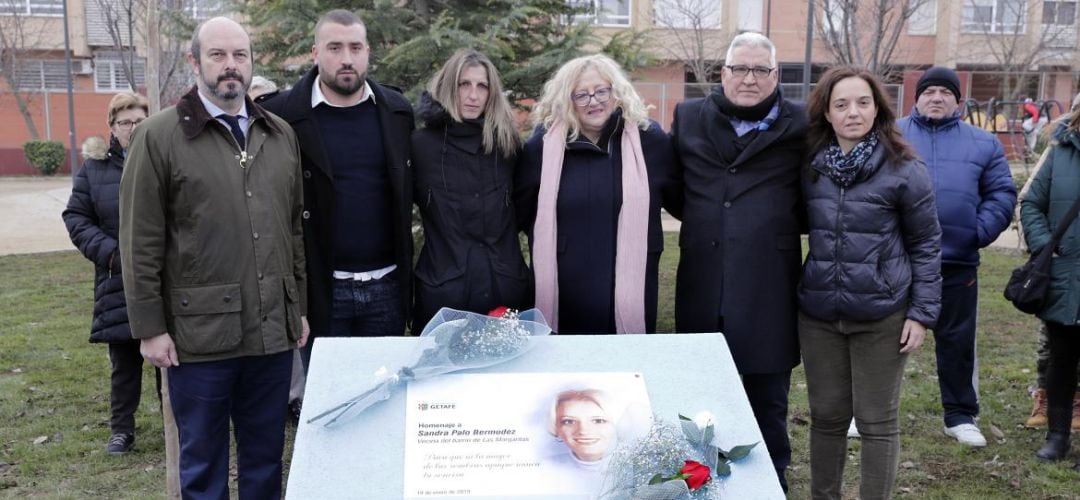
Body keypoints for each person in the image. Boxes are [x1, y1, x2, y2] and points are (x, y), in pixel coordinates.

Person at [119, 17, 308, 498]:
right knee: (203, 466)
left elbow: (291, 230)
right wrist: (149, 328)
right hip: (198, 339)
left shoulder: (279, 133)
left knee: (266, 460)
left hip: (270, 335)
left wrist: (297, 308)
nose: (231, 67)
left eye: (240, 56)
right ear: (195, 63)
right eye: (218, 56)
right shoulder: (159, 136)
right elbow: (139, 241)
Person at [799, 66, 941, 499]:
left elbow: (927, 242)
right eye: (841, 104)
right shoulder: (811, 168)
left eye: (863, 102)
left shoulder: (903, 169)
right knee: (826, 416)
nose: (853, 112)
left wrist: (921, 313)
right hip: (820, 314)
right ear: (826, 112)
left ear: (877, 108)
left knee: (877, 421)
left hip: (883, 314)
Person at [670, 31, 804, 490]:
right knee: (700, 391)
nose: (750, 78)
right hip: (704, 275)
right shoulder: (688, 117)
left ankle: (771, 484)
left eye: (760, 70)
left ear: (776, 75)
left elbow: (811, 197)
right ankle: (700, 483)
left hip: (770, 279)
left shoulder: (801, 124)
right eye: (740, 69)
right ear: (723, 73)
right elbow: (674, 189)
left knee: (767, 395)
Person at [261, 10, 414, 362]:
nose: (347, 59)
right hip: (321, 290)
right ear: (315, 53)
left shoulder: (396, 111)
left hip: (386, 288)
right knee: (326, 406)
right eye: (334, 48)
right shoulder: (282, 115)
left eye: (355, 47)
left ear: (368, 51)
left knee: (383, 403)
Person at [516, 54, 680, 334]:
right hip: (564, 285)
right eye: (581, 95)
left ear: (616, 93)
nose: (594, 101)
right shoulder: (542, 147)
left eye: (602, 91)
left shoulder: (649, 140)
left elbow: (680, 199)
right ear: (566, 101)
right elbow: (519, 212)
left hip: (631, 285)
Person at [897, 67, 1017, 447]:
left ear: (958, 101)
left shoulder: (984, 143)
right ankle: (866, 410)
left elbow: (1001, 193)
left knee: (957, 340)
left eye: (945, 92)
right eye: (928, 91)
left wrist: (977, 233)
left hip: (957, 261)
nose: (936, 97)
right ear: (916, 98)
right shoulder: (892, 135)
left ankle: (960, 415)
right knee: (883, 337)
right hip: (896, 260)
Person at [63, 92, 159, 455]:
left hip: (163, 275)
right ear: (112, 128)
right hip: (117, 276)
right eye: (125, 122)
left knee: (169, 357)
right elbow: (76, 218)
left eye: (139, 121)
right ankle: (122, 429)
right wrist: (112, 256)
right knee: (124, 361)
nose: (132, 128)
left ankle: (178, 420)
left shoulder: (162, 159)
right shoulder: (95, 170)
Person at [411, 49, 531, 328]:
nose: (473, 95)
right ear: (449, 86)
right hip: (443, 299)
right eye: (464, 84)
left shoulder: (508, 145)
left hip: (505, 293)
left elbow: (524, 212)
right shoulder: (420, 146)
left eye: (482, 86)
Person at [1019, 108, 1080, 472]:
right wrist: (1047, 246)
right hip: (1066, 275)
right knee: (1062, 358)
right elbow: (1031, 203)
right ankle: (1058, 436)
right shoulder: (1061, 151)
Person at [545, 389, 620, 494]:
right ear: (556, 428)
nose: (583, 431)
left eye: (598, 421)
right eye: (569, 421)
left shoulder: (637, 466)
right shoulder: (544, 468)